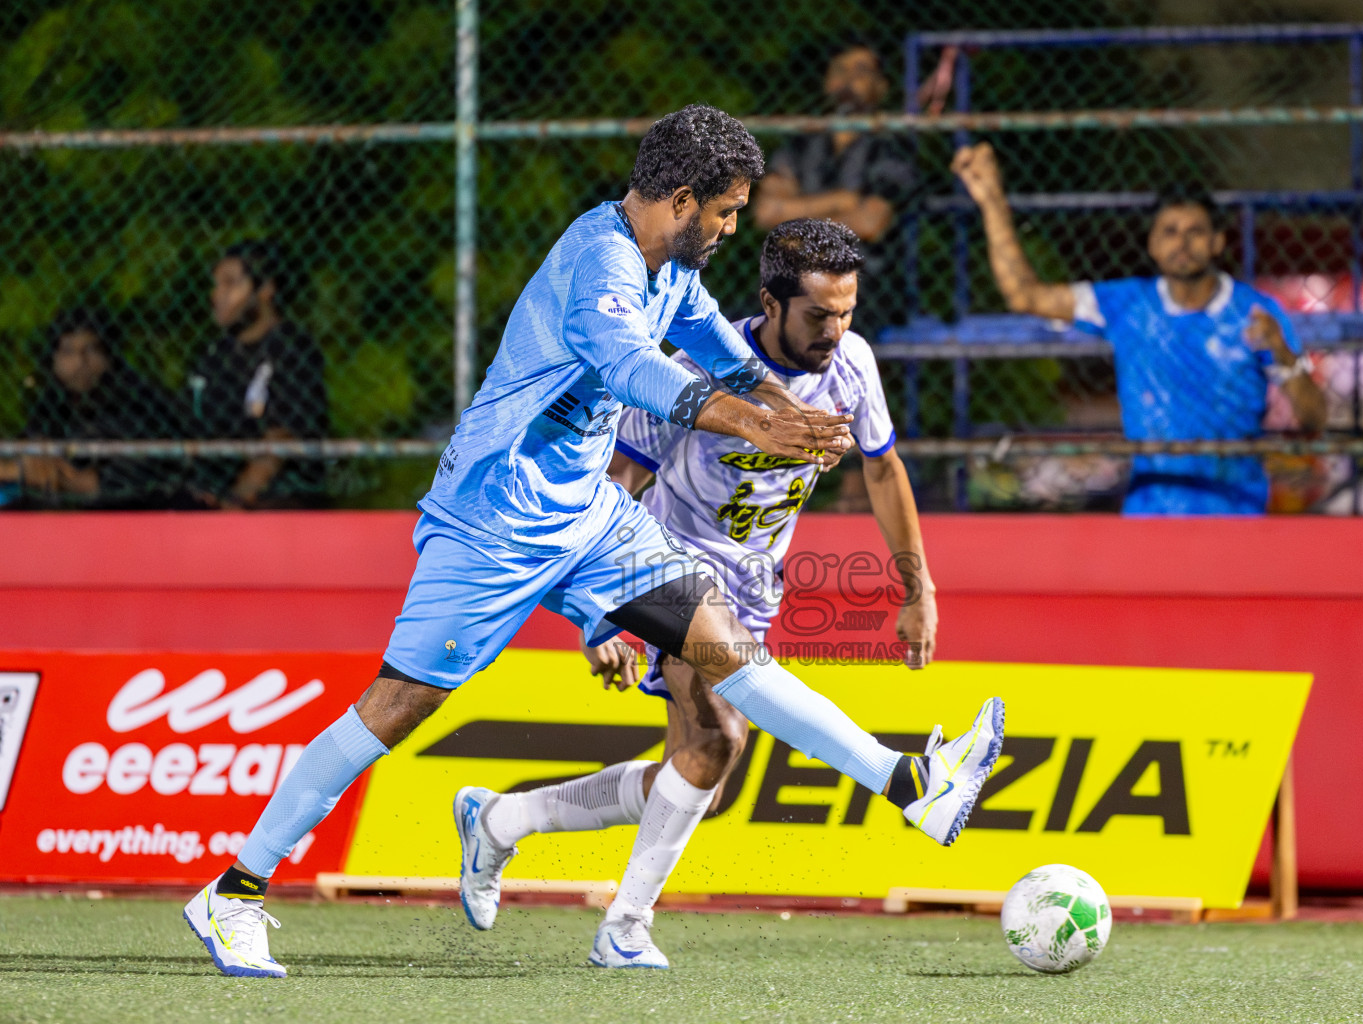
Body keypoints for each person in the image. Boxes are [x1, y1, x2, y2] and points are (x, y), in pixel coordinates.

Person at [181, 105, 1002, 980]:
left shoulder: (668, 268)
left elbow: (712, 344)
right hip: (495, 519)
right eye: (724, 211)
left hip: (591, 519)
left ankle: (908, 783)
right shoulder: (599, 260)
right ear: (682, 200)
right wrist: (755, 426)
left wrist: (780, 402)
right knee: (397, 706)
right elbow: (633, 369)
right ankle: (234, 891)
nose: (731, 228)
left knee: (727, 652)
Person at [451, 219, 940, 968]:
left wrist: (918, 585)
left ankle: (501, 819)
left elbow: (881, 467)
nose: (835, 331)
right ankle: (624, 928)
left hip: (752, 592)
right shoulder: (692, 369)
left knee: (695, 779)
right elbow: (618, 482)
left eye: (847, 313)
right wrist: (599, 615)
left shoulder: (853, 365)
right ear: (770, 304)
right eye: (818, 316)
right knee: (720, 737)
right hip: (665, 572)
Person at [951, 142, 1328, 515]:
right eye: (1169, 231)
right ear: (1152, 244)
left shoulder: (1257, 313)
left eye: (1195, 232)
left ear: (1217, 242)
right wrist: (992, 201)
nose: (1182, 242)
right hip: (1150, 512)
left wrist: (1283, 354)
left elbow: (1313, 420)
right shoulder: (1127, 304)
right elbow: (1025, 296)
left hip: (1236, 511)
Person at [753, 41, 918, 338]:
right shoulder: (801, 144)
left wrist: (795, 220)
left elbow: (870, 222)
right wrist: (842, 201)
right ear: (828, 81)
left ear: (881, 87)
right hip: (791, 276)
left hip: (865, 283)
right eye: (841, 70)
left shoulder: (892, 148)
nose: (849, 80)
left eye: (862, 71)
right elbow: (766, 212)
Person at [185, 239, 328, 509]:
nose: (217, 295)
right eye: (217, 285)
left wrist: (235, 502)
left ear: (265, 290)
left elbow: (282, 437)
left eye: (230, 284)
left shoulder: (291, 347)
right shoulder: (214, 354)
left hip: (273, 503)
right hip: (212, 496)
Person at [2, 308, 178, 507]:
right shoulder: (51, 401)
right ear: (54, 360)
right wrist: (27, 465)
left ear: (108, 358)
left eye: (91, 350)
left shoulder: (133, 399)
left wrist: (58, 474)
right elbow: (30, 448)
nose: (80, 361)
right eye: (68, 351)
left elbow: (117, 479)